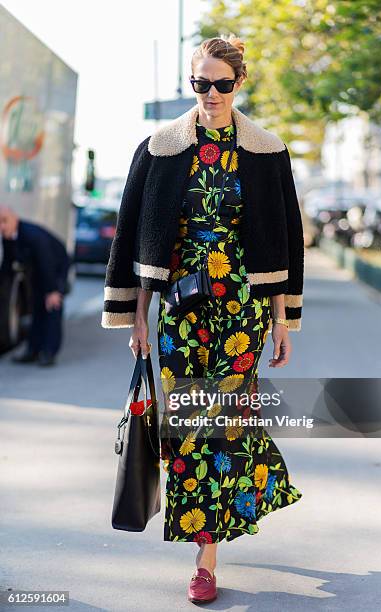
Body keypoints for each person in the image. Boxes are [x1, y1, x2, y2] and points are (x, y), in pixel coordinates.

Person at [101, 34, 304, 604]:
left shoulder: (266, 150)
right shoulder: (161, 147)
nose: (210, 94)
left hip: (242, 308)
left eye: (221, 83)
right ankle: (208, 544)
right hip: (181, 312)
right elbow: (136, 233)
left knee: (227, 422)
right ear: (191, 84)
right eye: (200, 83)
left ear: (239, 83)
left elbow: (286, 239)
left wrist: (282, 318)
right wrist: (136, 315)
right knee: (189, 426)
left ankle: (207, 552)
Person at [0, 205, 70, 366]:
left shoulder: (33, 236)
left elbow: (47, 263)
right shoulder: (8, 235)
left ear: (14, 219)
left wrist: (53, 290)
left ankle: (49, 353)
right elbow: (7, 265)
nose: (1, 227)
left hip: (56, 267)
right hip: (39, 271)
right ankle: (33, 350)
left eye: (4, 221)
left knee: (52, 307)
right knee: (36, 307)